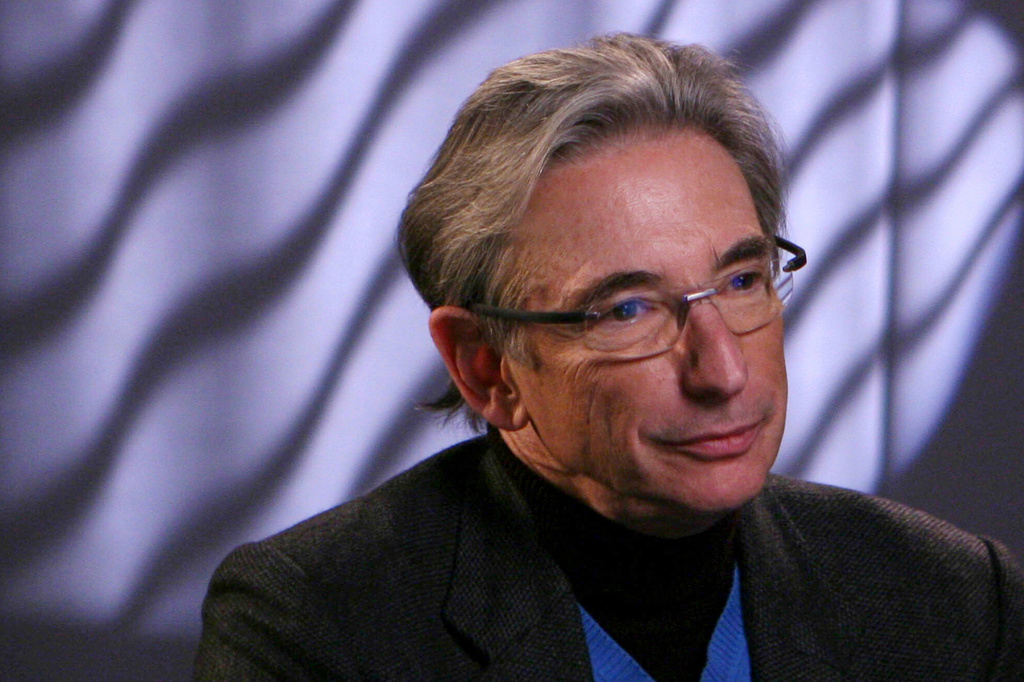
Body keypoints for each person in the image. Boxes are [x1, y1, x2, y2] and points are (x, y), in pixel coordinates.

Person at [194, 34, 1024, 680]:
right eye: (627, 309)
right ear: (486, 367)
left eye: (740, 280)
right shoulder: (316, 628)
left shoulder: (952, 600)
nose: (723, 372)